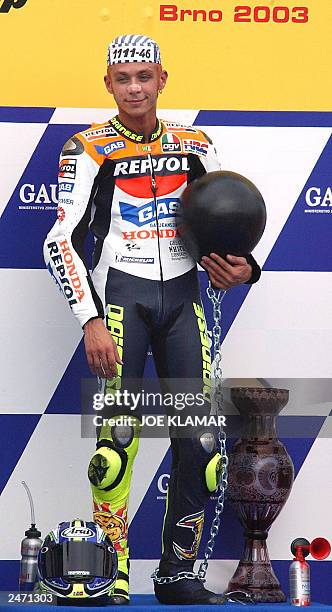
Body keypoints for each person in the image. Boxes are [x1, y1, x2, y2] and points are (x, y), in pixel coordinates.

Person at [44, 34, 261, 605]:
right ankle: (111, 576)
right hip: (121, 302)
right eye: (123, 78)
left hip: (185, 303)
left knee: (203, 446)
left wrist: (244, 268)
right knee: (116, 445)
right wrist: (90, 318)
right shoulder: (87, 148)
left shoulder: (196, 143)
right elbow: (60, 239)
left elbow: (227, 223)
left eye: (145, 76)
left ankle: (177, 576)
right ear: (107, 84)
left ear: (163, 78)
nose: (134, 87)